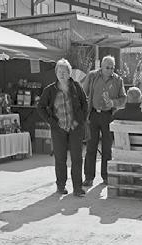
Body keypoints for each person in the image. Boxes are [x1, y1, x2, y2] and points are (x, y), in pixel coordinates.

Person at [37, 58, 88, 196]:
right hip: (58, 129)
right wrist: (51, 122)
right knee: (60, 159)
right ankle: (61, 186)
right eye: (59, 71)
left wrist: (81, 121)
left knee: (77, 158)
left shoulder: (77, 87)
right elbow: (40, 107)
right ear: (56, 73)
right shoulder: (50, 89)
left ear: (69, 73)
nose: (62, 74)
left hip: (75, 129)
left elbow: (85, 104)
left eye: (64, 71)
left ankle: (77, 188)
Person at [82, 55, 127, 186]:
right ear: (101, 66)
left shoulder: (118, 80)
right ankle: (89, 177)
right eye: (107, 67)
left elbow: (123, 99)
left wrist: (113, 103)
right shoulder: (92, 76)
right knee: (91, 147)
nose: (110, 70)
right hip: (94, 115)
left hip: (109, 116)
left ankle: (106, 176)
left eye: (112, 67)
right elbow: (83, 93)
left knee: (107, 148)